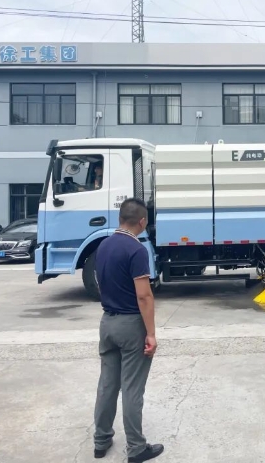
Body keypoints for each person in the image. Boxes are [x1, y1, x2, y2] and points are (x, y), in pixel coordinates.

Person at [92, 198, 164, 462]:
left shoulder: (103, 245)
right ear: (142, 222)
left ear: (120, 218)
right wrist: (151, 333)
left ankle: (101, 441)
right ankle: (136, 448)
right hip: (131, 324)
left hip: (107, 322)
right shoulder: (136, 250)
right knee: (132, 388)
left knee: (107, 384)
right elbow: (144, 296)